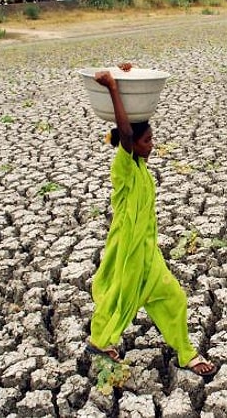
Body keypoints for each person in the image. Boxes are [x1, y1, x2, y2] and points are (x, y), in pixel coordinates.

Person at [86, 69, 218, 377]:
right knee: (119, 296)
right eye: (148, 140)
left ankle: (186, 353)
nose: (152, 145)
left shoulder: (142, 168)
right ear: (132, 143)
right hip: (129, 250)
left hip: (147, 250)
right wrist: (113, 89)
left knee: (173, 297)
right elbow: (126, 133)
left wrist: (123, 75)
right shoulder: (125, 167)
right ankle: (100, 341)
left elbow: (131, 134)